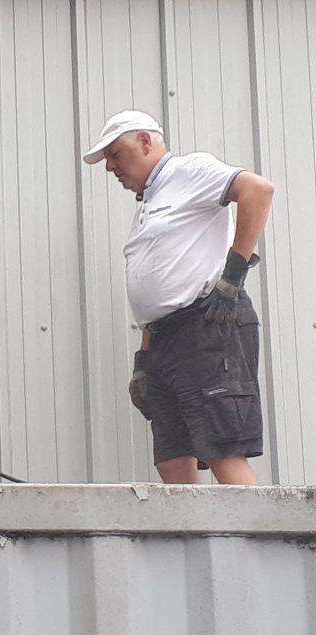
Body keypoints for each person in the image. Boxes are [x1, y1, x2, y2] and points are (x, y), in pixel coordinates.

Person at [83, 110, 275, 484]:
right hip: (165, 340)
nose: (110, 167)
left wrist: (233, 275)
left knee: (222, 450)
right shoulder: (150, 200)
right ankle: (196, 542)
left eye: (115, 155)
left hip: (208, 325)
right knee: (172, 458)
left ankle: (255, 540)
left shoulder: (189, 171)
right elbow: (157, 286)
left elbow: (257, 189)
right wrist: (144, 357)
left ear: (145, 141)